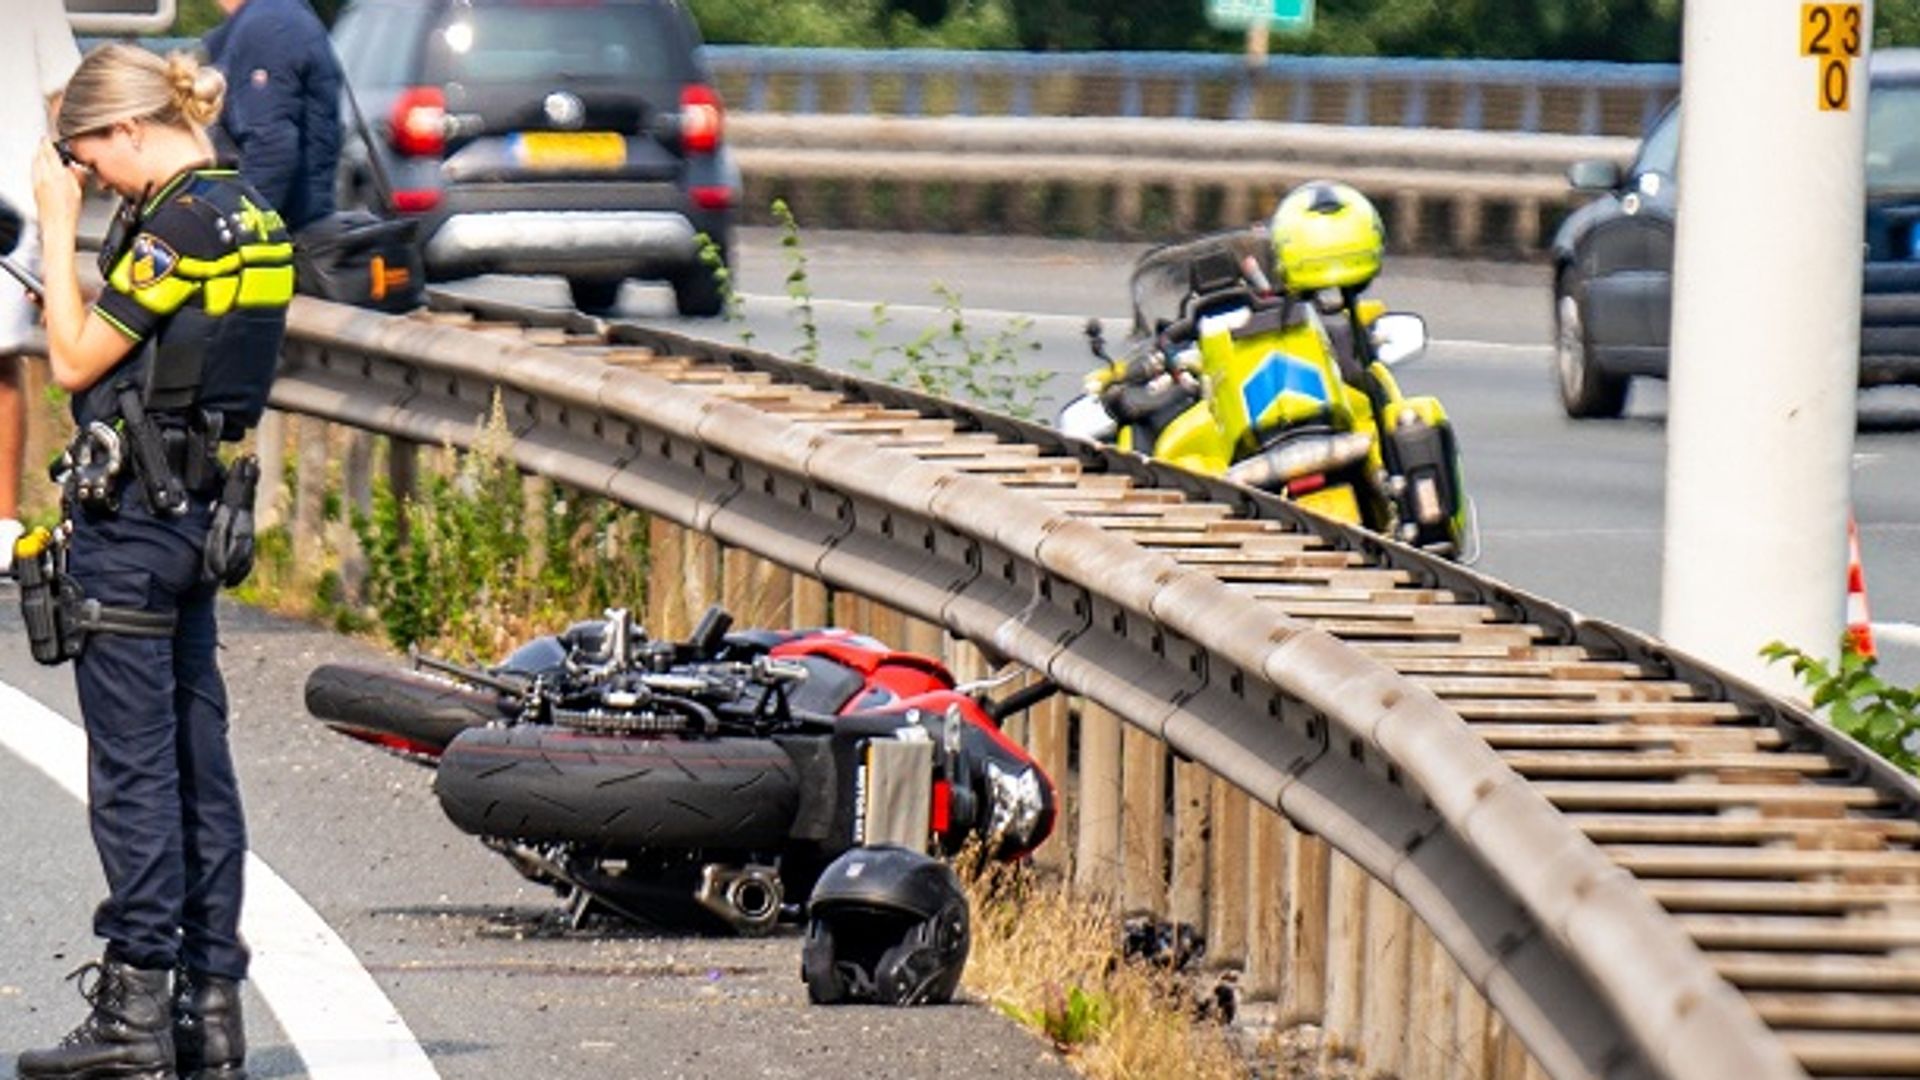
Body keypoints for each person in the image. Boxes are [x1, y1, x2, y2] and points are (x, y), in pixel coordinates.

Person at [19, 42, 294, 1080]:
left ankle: (136, 1009)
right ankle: (209, 1006)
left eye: (85, 155)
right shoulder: (252, 212)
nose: (86, 176)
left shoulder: (179, 223)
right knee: (196, 765)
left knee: (135, 773)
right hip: (198, 508)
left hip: (134, 521)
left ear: (129, 128)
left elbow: (78, 358)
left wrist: (54, 229)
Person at [0, 0, 81, 566]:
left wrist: (64, 179)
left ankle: (2, 523)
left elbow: (66, 94)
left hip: (6, 205)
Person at [203, 0, 342, 233]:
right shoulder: (276, 16)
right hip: (292, 225)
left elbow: (270, 148)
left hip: (286, 235)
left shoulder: (269, 25)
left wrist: (237, 233)